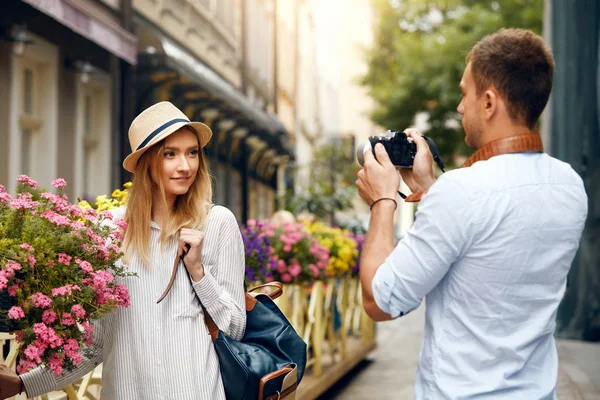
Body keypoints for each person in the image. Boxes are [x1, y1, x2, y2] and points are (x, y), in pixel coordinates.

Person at [356, 28, 588, 399]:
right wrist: (432, 187)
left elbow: (381, 301)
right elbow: (491, 241)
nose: (461, 106)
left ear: (489, 102)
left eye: (466, 93)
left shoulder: (462, 192)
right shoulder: (570, 185)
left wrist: (383, 200)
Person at [0, 101, 246, 399]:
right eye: (170, 154)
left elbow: (235, 327)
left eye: (192, 152)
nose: (186, 166)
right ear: (146, 163)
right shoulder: (110, 231)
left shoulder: (218, 223)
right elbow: (97, 344)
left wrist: (198, 272)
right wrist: (25, 383)